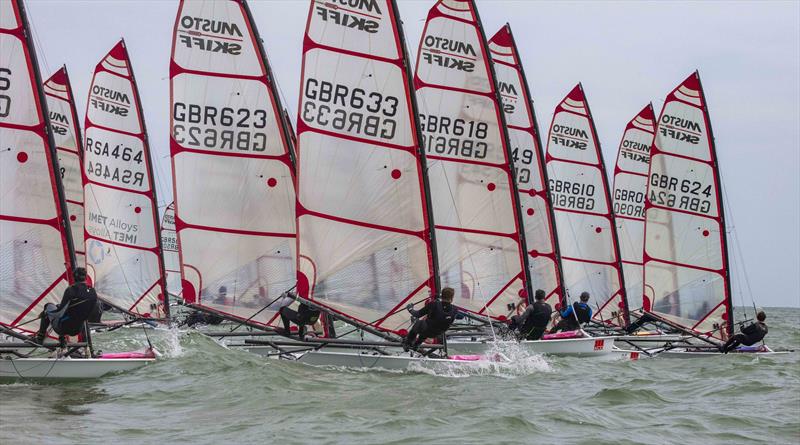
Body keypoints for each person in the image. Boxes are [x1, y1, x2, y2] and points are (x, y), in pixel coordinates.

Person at [32, 267, 97, 348]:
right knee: (62, 310)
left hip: (62, 328)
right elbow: (91, 312)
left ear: (74, 277)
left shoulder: (71, 290)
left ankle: (39, 339)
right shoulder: (93, 292)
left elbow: (59, 313)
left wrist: (46, 313)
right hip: (78, 329)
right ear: (86, 277)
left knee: (48, 306)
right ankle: (63, 340)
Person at [402, 287, 458, 351]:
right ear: (452, 298)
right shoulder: (455, 309)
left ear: (442, 295)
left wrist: (410, 309)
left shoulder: (434, 304)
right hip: (438, 334)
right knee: (428, 325)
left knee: (419, 323)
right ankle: (417, 344)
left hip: (427, 330)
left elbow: (417, 314)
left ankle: (407, 343)